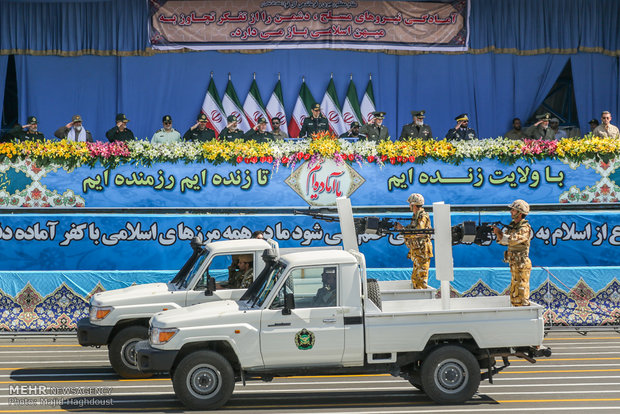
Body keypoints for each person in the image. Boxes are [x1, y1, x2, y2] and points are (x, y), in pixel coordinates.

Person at [492, 200, 532, 307]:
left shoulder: (524, 228)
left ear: (519, 212)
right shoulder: (513, 226)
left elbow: (513, 240)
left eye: (513, 210)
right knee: (515, 294)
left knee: (522, 294)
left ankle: (525, 317)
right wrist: (498, 234)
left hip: (521, 265)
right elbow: (504, 241)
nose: (511, 212)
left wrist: (500, 234)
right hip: (515, 264)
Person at [394, 193, 433, 289]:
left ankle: (422, 302)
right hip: (417, 253)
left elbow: (418, 232)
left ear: (413, 205)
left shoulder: (422, 216)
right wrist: (402, 228)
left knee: (420, 281)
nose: (409, 206)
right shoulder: (416, 216)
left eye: (410, 204)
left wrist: (402, 230)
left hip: (422, 253)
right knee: (415, 280)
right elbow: (413, 229)